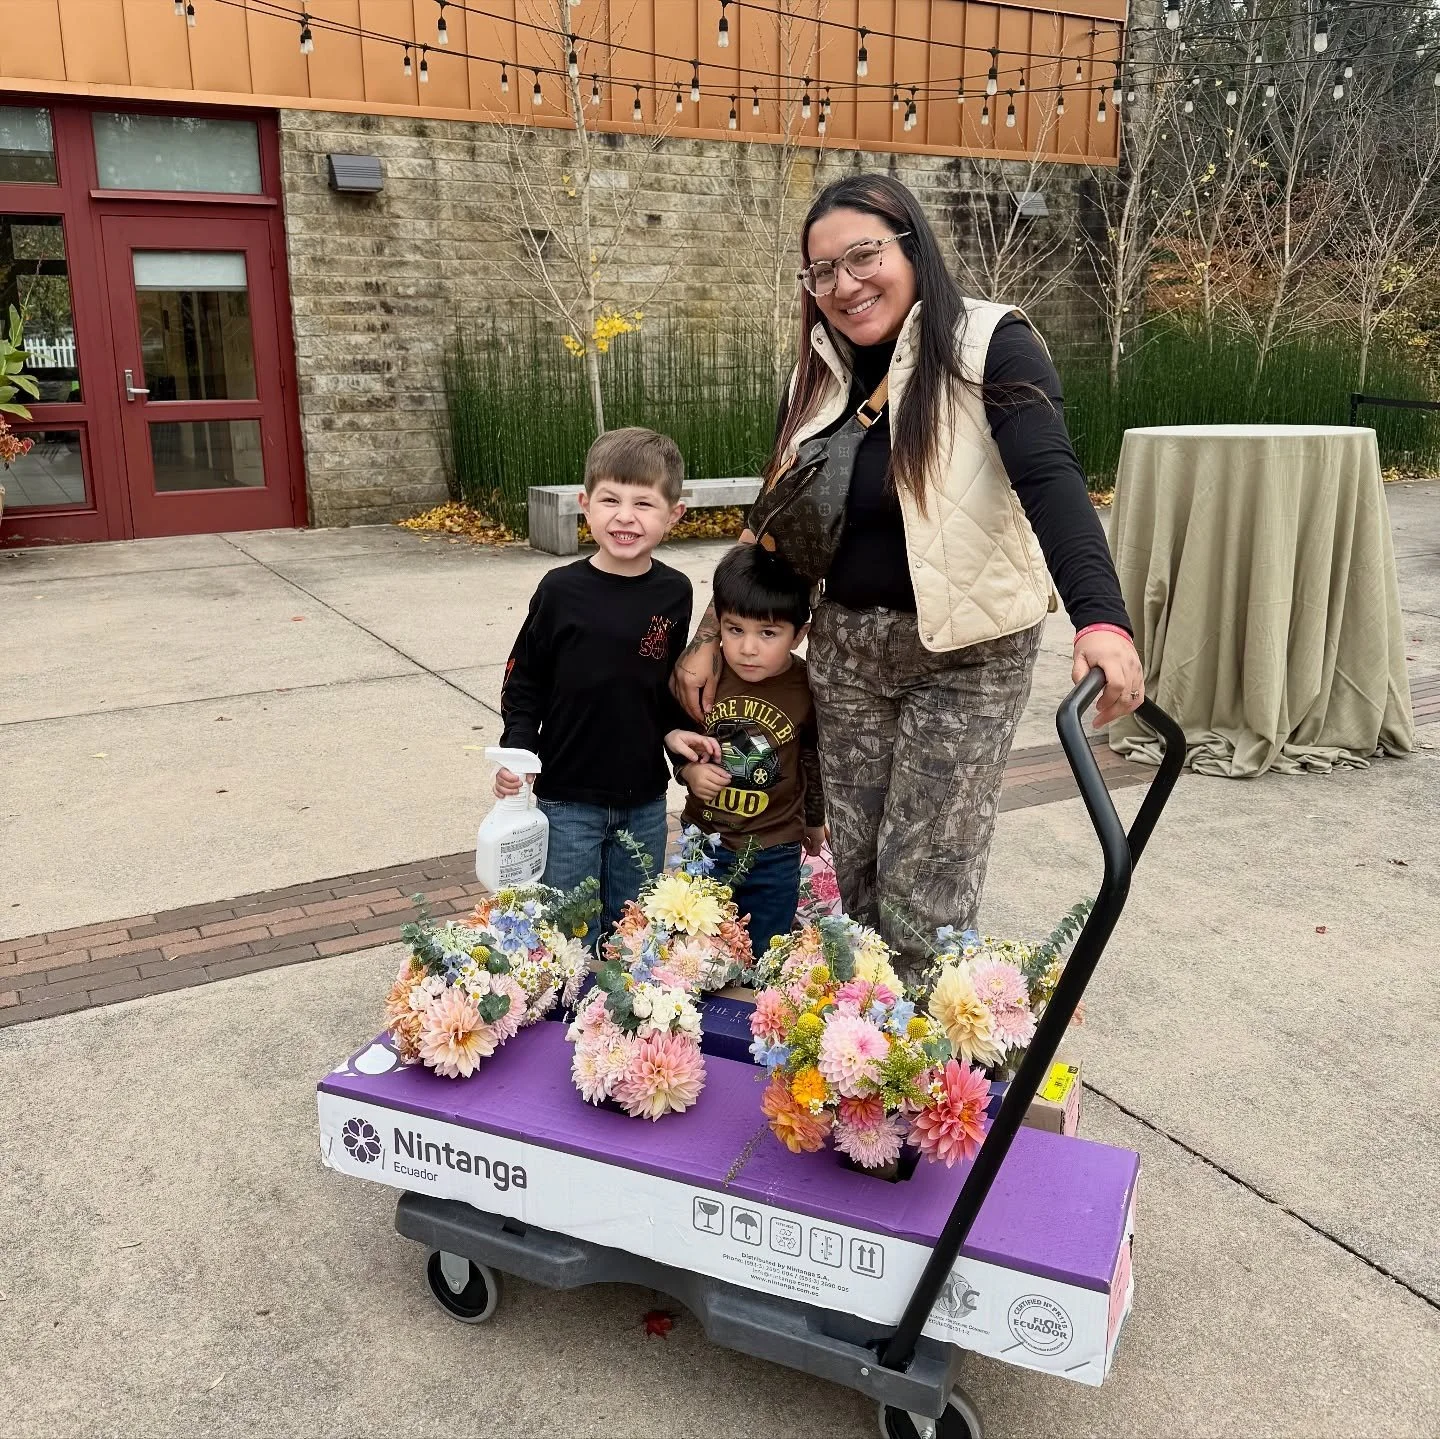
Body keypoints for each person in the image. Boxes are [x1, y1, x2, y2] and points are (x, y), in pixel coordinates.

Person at [673, 173, 1145, 981]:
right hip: (849, 651)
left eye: (863, 256)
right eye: (822, 272)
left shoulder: (991, 344)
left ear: (912, 247)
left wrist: (1101, 619)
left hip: (965, 656)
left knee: (925, 885)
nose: (845, 285)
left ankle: (918, 1073)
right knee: (856, 878)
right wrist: (710, 636)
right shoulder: (816, 375)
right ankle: (863, 1052)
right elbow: (775, 522)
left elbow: (1052, 479)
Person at [498, 427, 718, 937]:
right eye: (610, 500)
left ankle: (619, 1018)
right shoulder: (560, 590)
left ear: (674, 515)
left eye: (644, 503)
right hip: (568, 796)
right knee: (567, 929)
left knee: (631, 931)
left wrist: (672, 734)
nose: (625, 516)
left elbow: (660, 685)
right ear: (585, 505)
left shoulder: (674, 593)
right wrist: (517, 754)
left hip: (643, 798)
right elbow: (524, 680)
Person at [675, 544, 827, 953]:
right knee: (695, 950)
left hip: (774, 850)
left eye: (768, 633)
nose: (748, 648)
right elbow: (677, 734)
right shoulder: (708, 674)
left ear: (799, 634)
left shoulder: (806, 686)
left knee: (765, 950)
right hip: (703, 841)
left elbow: (810, 758)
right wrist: (687, 771)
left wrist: (814, 819)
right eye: (735, 629)